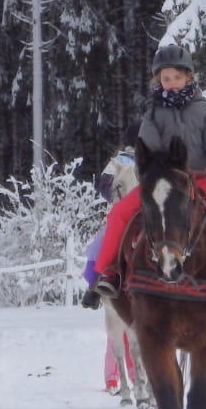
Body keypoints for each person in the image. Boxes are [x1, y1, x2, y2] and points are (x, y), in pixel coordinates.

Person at [87, 43, 206, 302]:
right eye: (166, 78)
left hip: (200, 180)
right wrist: (151, 176)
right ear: (159, 81)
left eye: (176, 77)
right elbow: (145, 150)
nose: (171, 82)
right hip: (162, 183)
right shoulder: (152, 115)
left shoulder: (205, 110)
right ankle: (109, 272)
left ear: (188, 77)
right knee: (119, 213)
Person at [81, 120, 141, 311]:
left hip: (147, 212)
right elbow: (104, 185)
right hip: (123, 212)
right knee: (102, 244)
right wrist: (118, 196)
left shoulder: (153, 161)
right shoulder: (121, 160)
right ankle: (97, 285)